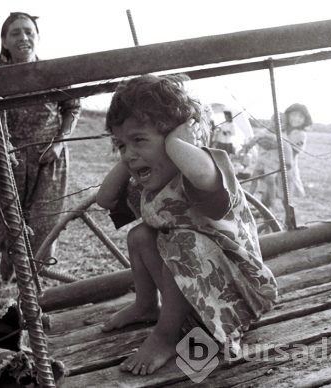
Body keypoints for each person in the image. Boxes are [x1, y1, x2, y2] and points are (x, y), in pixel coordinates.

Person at [96, 74, 277, 375]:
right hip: (194, 291)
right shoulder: (152, 185)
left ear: (178, 139)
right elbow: (104, 199)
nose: (128, 154)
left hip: (238, 293)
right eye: (120, 144)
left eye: (139, 139)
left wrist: (175, 142)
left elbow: (204, 176)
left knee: (183, 242)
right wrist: (132, 153)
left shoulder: (201, 169)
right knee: (140, 235)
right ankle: (146, 305)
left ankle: (165, 337)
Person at [0, 12, 81, 281]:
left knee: (44, 223)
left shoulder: (53, 74)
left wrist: (59, 143)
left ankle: (36, 280)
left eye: (29, 31)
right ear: (4, 41)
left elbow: (72, 108)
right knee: (6, 224)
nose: (24, 37)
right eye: (16, 32)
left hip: (49, 160)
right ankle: (10, 270)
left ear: (38, 38)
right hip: (9, 163)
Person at [282, 103, 312, 197]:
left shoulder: (301, 134)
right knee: (268, 187)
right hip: (274, 161)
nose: (296, 119)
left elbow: (293, 152)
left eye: (300, 117)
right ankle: (265, 207)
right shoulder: (282, 129)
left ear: (305, 120)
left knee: (286, 191)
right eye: (293, 115)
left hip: (288, 165)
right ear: (287, 115)